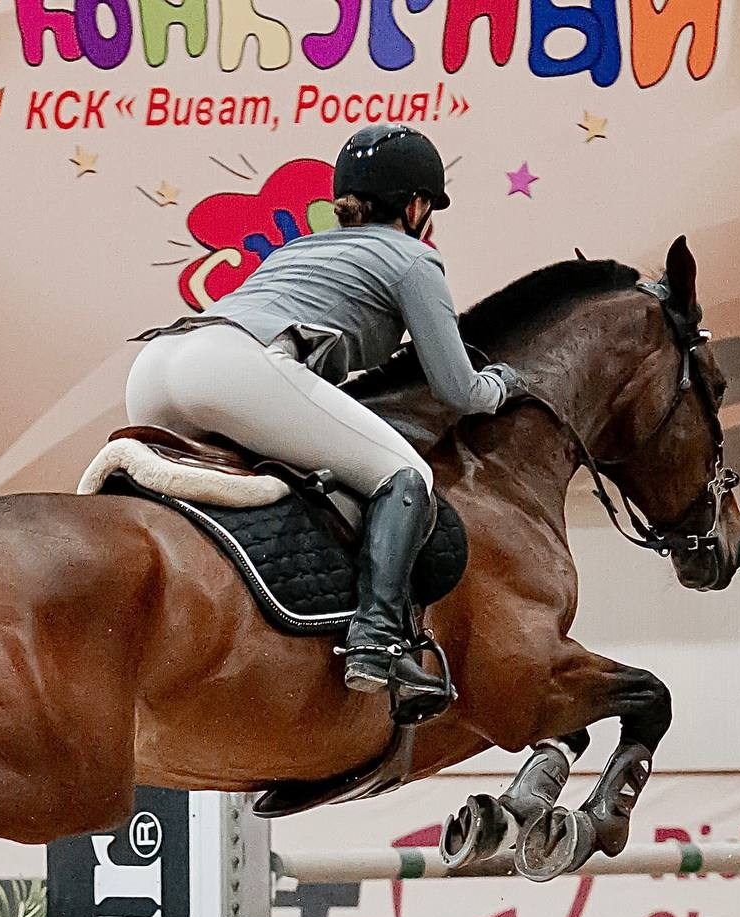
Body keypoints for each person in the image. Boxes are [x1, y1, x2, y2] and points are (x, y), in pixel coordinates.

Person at [125, 124, 525, 710]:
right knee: (404, 478)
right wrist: (502, 385)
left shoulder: (298, 249)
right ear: (415, 206)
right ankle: (378, 641)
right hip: (232, 369)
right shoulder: (415, 259)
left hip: (156, 367)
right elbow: (456, 388)